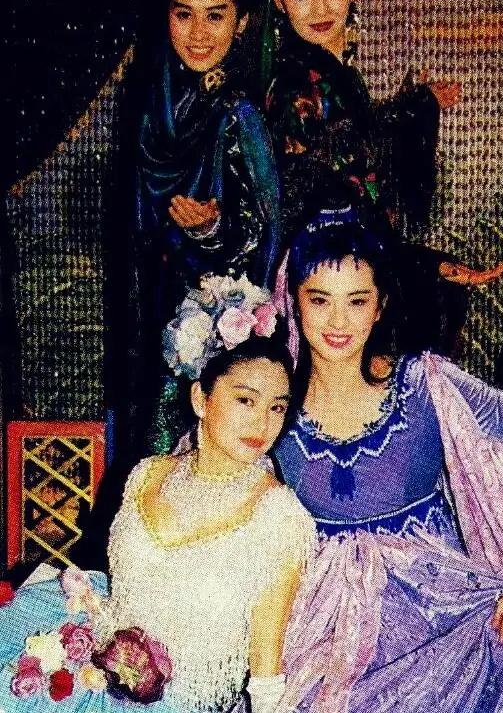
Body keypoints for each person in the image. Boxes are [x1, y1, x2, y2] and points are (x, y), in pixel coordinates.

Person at [270, 207, 503, 713]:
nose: (338, 321)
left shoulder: (424, 383)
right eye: (319, 299)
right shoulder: (272, 401)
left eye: (357, 300)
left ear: (380, 306)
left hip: (439, 610)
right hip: (319, 626)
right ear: (293, 301)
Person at [0, 276, 314, 713]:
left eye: (277, 406)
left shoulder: (278, 514)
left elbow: (266, 668)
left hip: (178, 701)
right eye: (245, 400)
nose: (263, 423)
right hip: (96, 663)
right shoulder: (147, 475)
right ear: (201, 399)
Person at [261, 0, 503, 356]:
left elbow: (360, 150)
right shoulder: (293, 84)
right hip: (321, 273)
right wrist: (416, 107)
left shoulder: (340, 76)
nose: (319, 7)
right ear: (277, 1)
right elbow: (332, 178)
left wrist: (425, 262)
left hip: (350, 262)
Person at [107, 0, 281, 457]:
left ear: (242, 21)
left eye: (216, 16)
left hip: (211, 329)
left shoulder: (238, 114)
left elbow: (266, 230)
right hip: (148, 310)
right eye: (184, 14)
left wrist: (212, 229)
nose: (199, 33)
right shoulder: (147, 109)